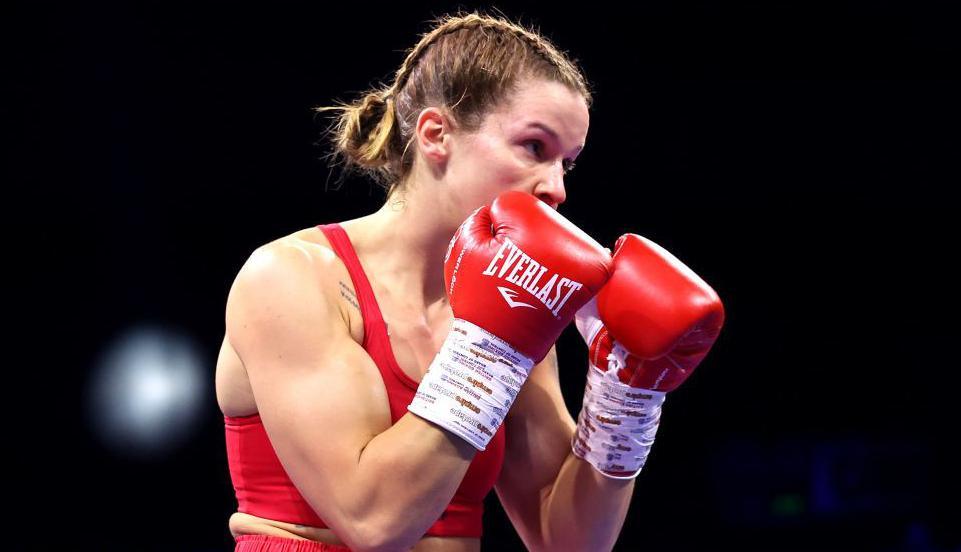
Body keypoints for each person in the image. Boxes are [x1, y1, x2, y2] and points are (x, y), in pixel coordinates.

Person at [216, 11, 724, 552]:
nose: (556, 189)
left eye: (567, 164)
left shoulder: (512, 308)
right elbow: (373, 522)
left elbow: (567, 544)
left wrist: (623, 400)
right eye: (534, 147)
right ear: (437, 134)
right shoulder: (290, 278)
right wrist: (489, 347)